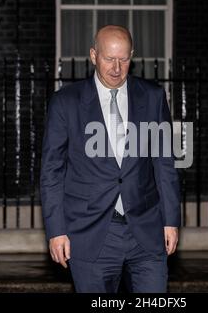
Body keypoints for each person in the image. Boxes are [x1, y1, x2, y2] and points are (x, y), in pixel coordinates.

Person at [40, 25, 180, 293]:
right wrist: (56, 231)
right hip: (91, 233)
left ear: (132, 57)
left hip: (147, 230)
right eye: (108, 59)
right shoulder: (65, 103)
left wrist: (170, 220)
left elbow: (165, 163)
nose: (116, 68)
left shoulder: (152, 97)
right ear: (93, 55)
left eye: (124, 59)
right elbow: (52, 172)